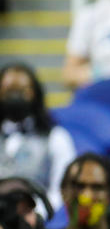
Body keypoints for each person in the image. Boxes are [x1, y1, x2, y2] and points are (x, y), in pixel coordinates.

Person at [0, 63, 76, 212]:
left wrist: (37, 214)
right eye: (8, 90)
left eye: (22, 91)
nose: (15, 96)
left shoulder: (56, 137)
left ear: (35, 93)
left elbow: (62, 189)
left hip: (38, 219)